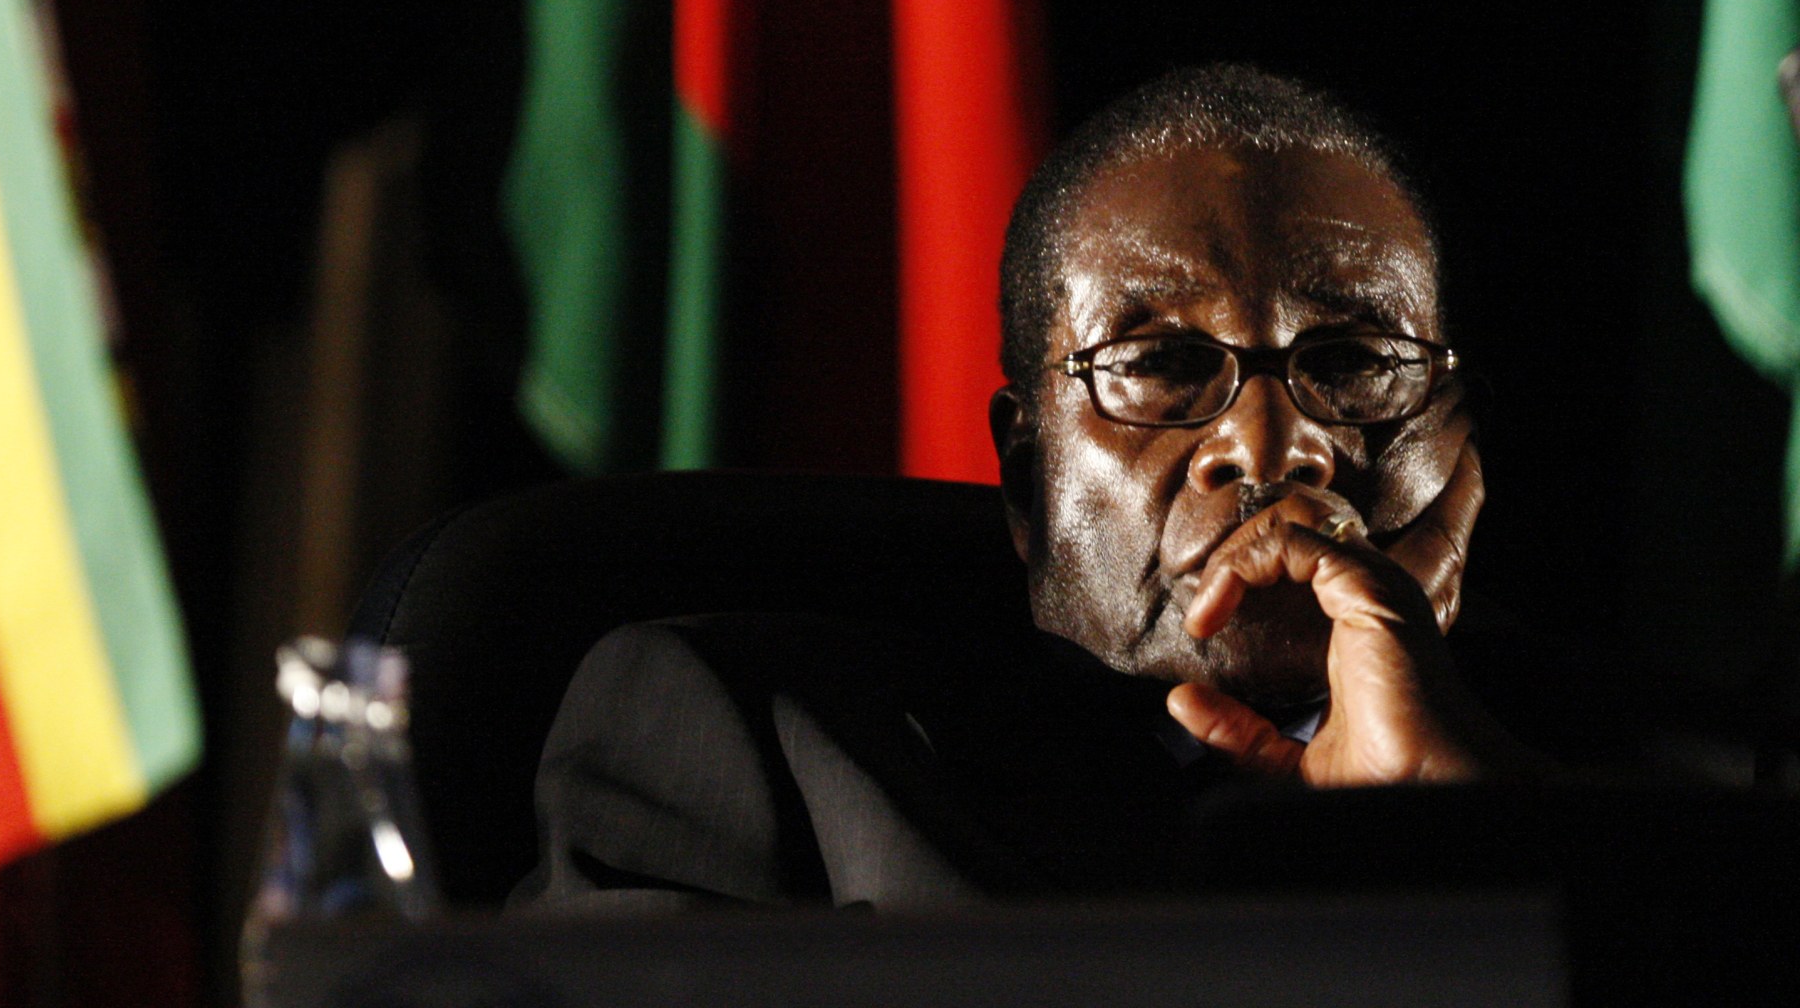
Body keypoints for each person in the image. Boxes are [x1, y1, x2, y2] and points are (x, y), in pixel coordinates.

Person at [518, 65, 1546, 910]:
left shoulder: (1620, 790)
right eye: (1161, 364)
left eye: (1357, 360)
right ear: (1026, 472)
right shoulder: (745, 735)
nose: (1272, 445)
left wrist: (1449, 833)